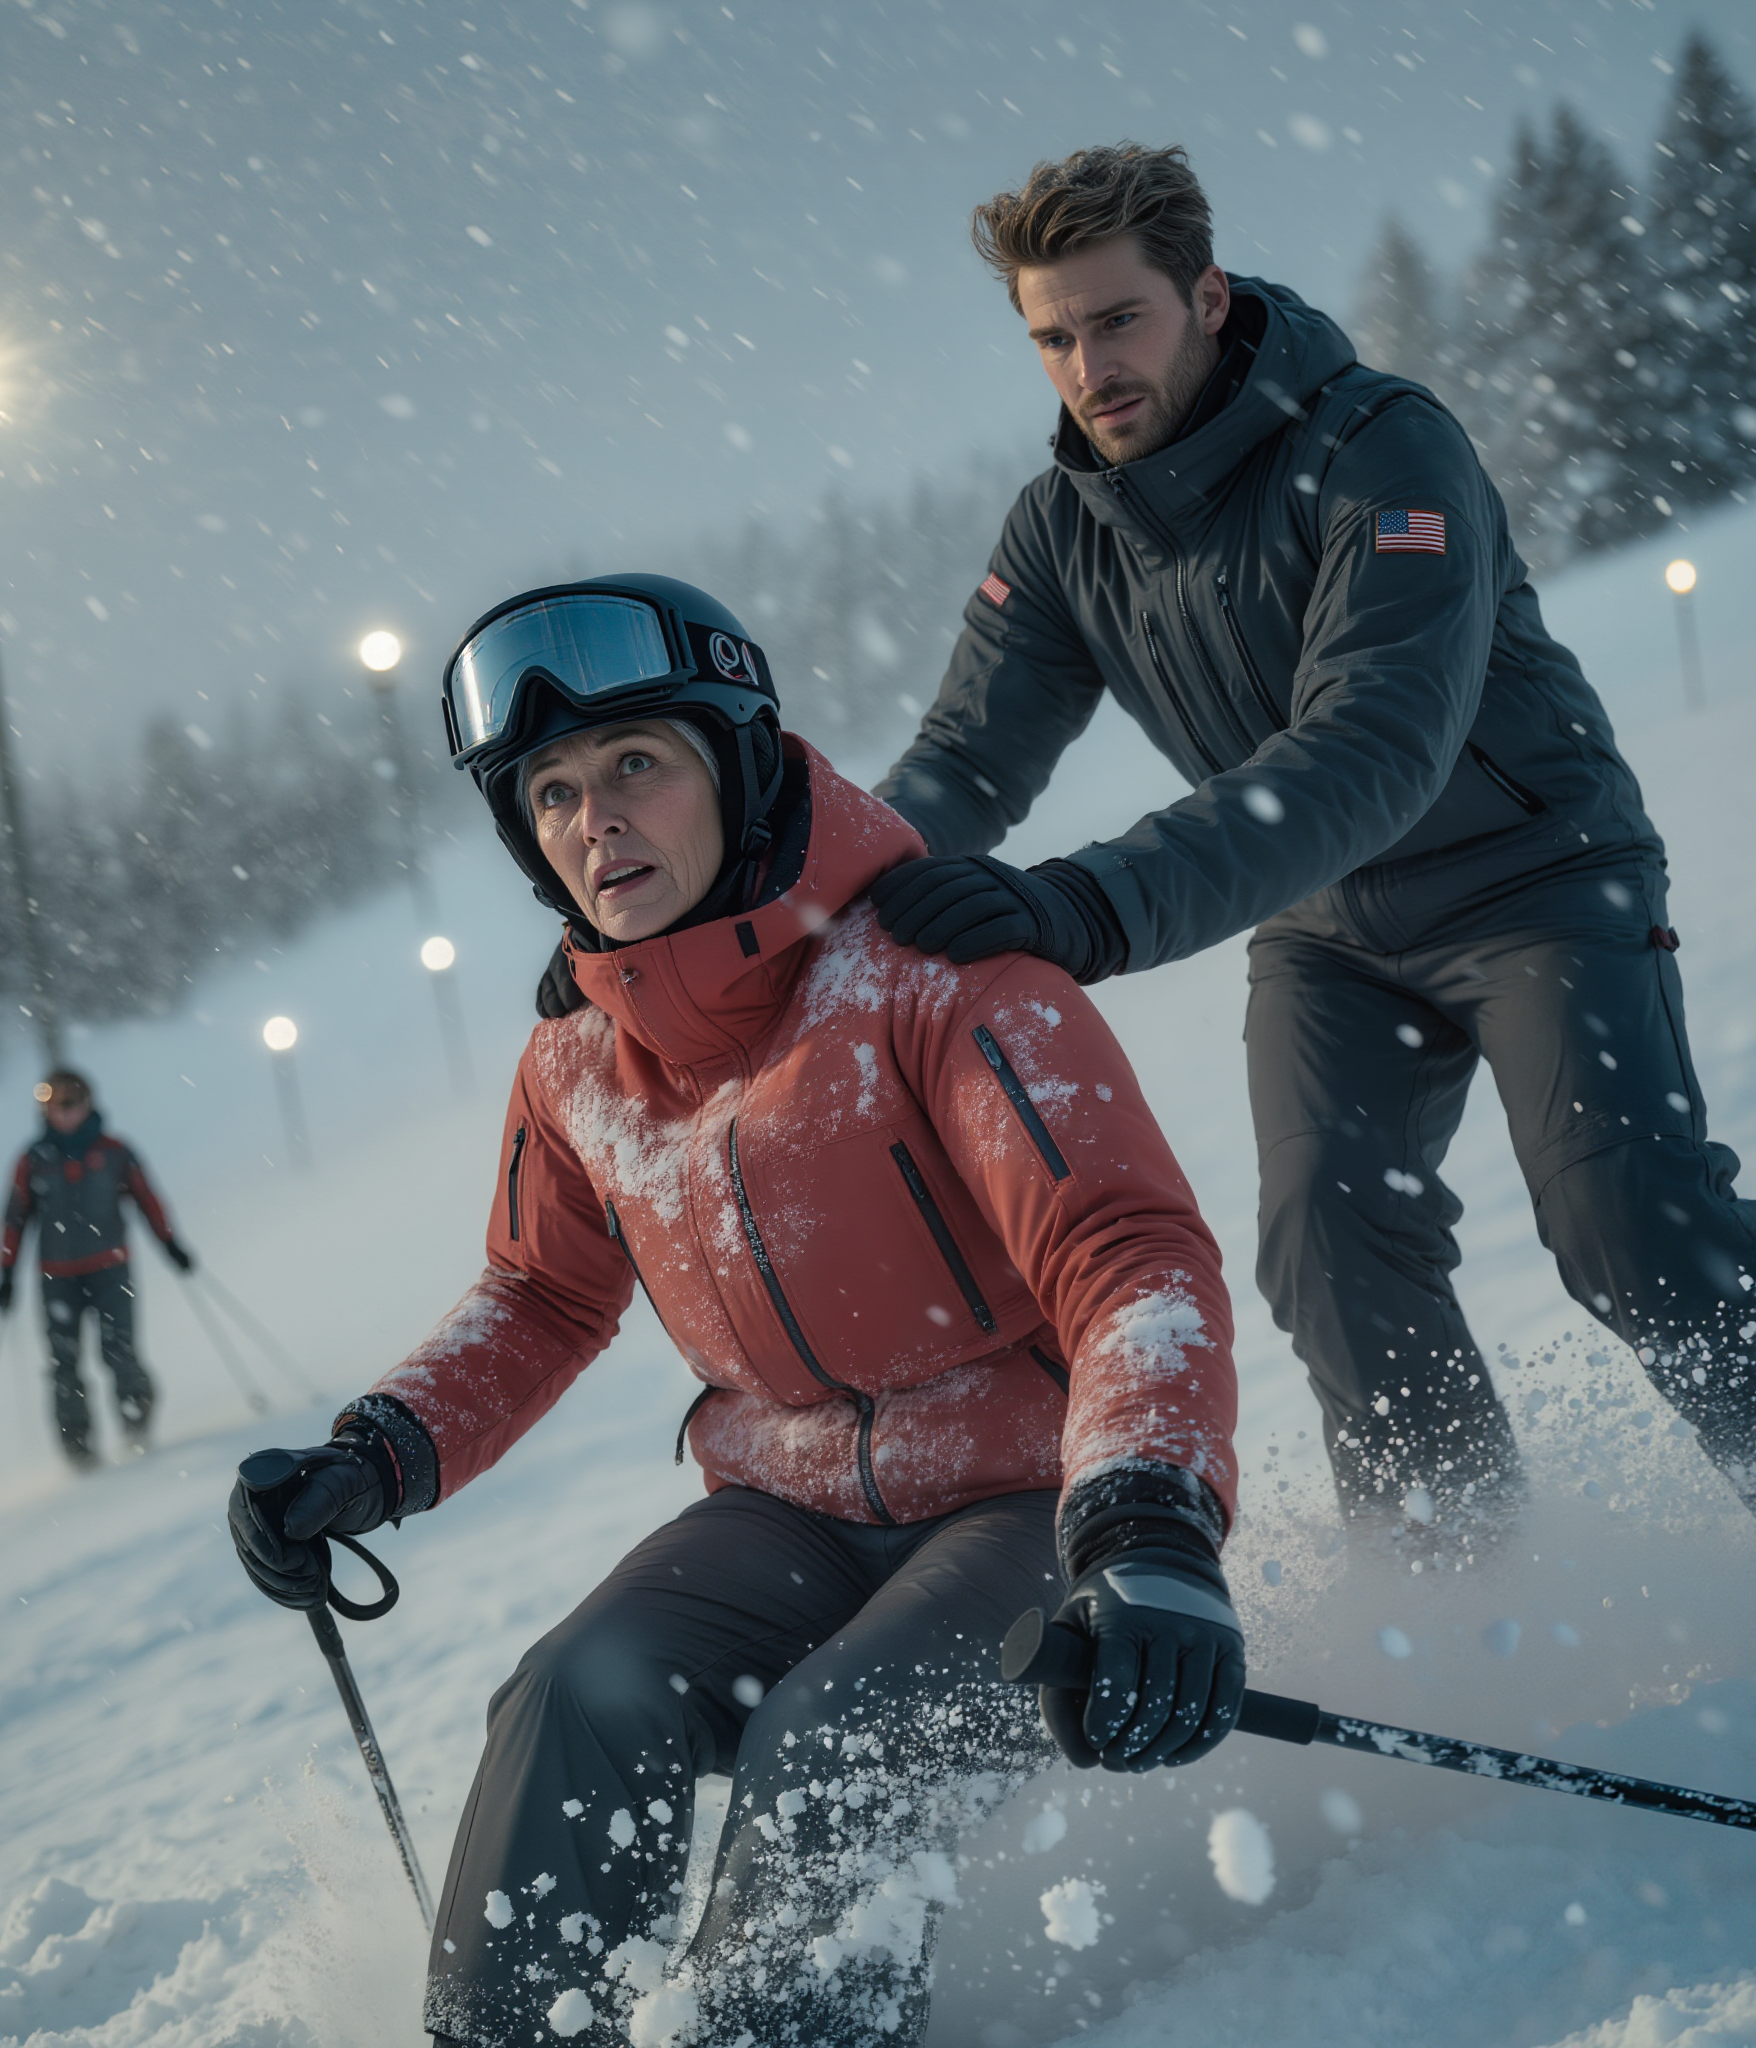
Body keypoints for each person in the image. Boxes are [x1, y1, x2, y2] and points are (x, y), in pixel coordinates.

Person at [870, 141, 1756, 1590]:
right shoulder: (1066, 532)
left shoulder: (1380, 446)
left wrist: (1087, 903)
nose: (1086, 366)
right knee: (1329, 1250)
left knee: (1624, 1211)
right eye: (1052, 336)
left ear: (1206, 295)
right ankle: (1465, 1605)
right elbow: (961, 768)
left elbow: (1374, 743)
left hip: (1535, 879)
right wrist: (759, 895)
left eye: (1118, 320)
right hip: (1326, 934)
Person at [226, 575, 1245, 2048]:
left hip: (1036, 1496)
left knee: (836, 1741)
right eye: (554, 794)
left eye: (638, 763)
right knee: (577, 1695)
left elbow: (1126, 1251)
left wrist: (1150, 1524)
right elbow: (540, 1293)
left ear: (742, 763)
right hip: (787, 1506)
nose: (597, 819)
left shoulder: (932, 972)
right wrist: (377, 1452)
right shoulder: (578, 1060)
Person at [0, 1068, 194, 1466]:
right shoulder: (34, 1160)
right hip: (57, 1278)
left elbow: (146, 1198)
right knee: (63, 1363)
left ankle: (136, 1424)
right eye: (55, 1106)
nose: (65, 1113)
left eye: (72, 1103)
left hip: (110, 1270)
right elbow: (15, 1218)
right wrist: (6, 1273)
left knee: (120, 1352)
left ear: (88, 1103)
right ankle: (79, 1449)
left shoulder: (114, 1151)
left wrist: (170, 1243)